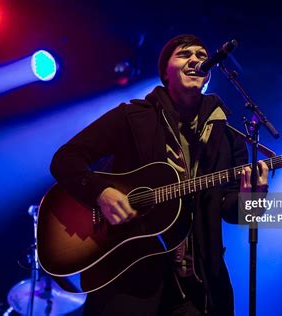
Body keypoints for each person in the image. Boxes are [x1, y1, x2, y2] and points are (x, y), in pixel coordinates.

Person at [50, 34, 269, 316]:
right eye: (184, 54)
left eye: (202, 56)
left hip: (196, 283)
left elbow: (229, 209)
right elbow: (65, 160)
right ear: (165, 71)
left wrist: (253, 201)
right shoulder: (133, 117)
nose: (195, 60)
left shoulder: (228, 135)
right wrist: (101, 193)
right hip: (127, 279)